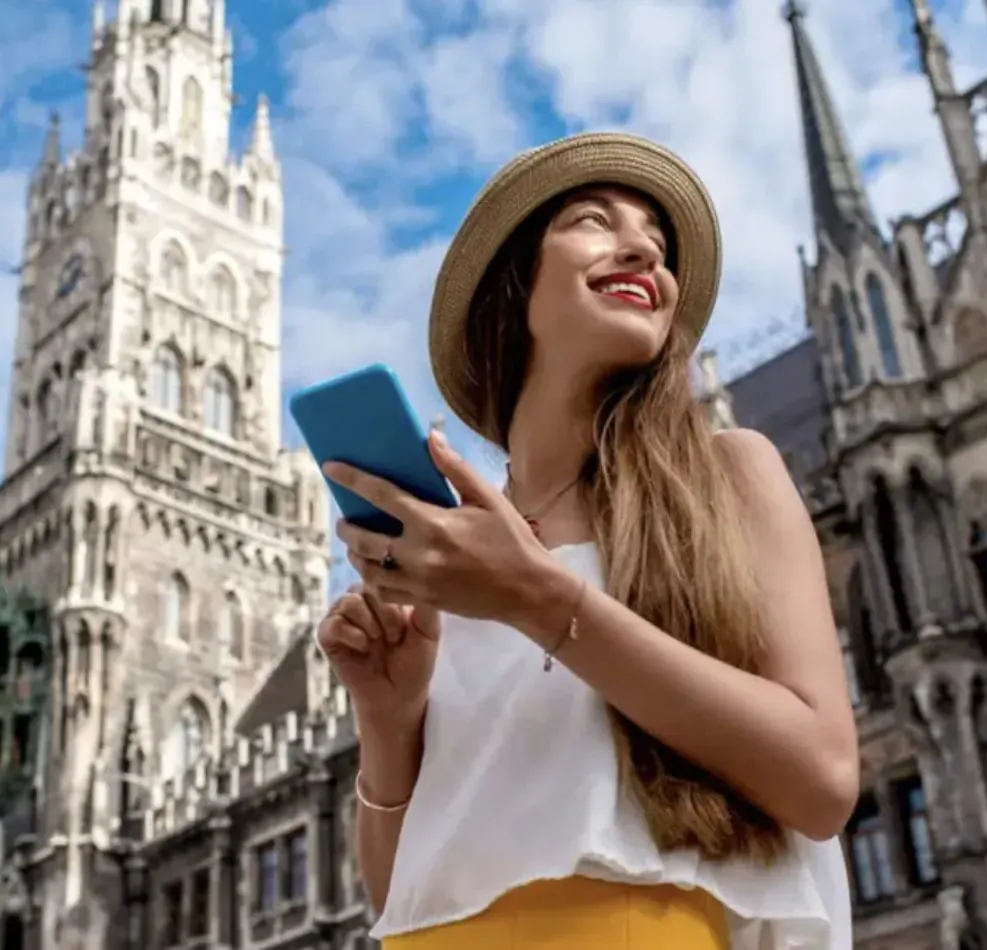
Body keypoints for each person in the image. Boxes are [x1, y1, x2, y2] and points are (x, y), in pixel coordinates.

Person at [316, 132, 857, 949]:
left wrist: (537, 597)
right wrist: (388, 721)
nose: (644, 249)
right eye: (594, 221)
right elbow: (406, 895)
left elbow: (823, 780)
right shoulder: (452, 561)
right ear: (514, 287)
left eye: (658, 241)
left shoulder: (730, 476)